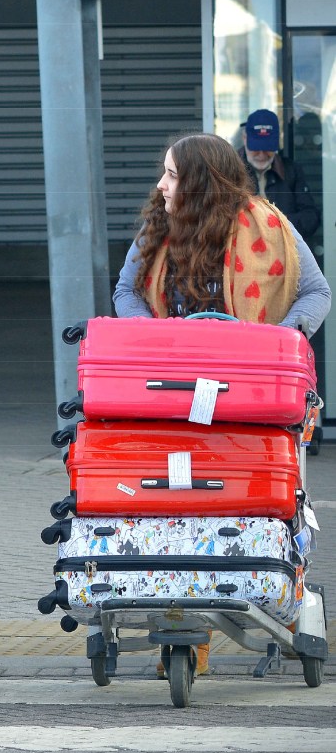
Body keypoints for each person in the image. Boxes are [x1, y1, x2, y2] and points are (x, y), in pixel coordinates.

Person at [113, 132, 331, 678]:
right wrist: (155, 341)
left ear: (201, 182)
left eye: (171, 174)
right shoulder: (156, 226)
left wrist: (274, 343)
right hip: (170, 388)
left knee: (234, 498)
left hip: (248, 391)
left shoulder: (269, 225)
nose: (161, 185)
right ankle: (186, 619)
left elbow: (316, 293)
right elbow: (126, 293)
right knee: (176, 499)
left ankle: (223, 607)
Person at [237, 109, 321, 240]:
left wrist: (277, 225)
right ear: (244, 138)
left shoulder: (291, 170)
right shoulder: (230, 170)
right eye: (256, 147)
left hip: (285, 251)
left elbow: (311, 217)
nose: (261, 153)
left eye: (267, 147)